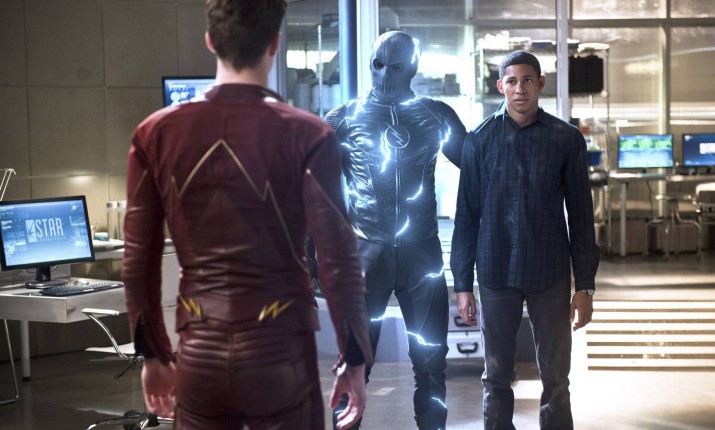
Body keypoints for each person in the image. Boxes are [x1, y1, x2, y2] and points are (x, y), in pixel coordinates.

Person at [121, 1, 373, 428]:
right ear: (274, 43)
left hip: (199, 352)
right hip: (282, 353)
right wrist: (355, 357)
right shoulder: (310, 134)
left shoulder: (154, 133)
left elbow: (137, 259)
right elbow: (338, 258)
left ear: (210, 42)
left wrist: (153, 355)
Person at [450, 49, 600, 429]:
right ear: (500, 86)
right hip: (496, 270)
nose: (520, 89)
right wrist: (463, 284)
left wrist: (585, 286)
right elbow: (466, 217)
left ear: (540, 84)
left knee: (556, 378)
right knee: (496, 376)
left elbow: (582, 217)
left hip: (549, 272)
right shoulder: (478, 141)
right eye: (512, 81)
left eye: (528, 80)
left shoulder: (566, 140)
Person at [323, 31, 467, 430]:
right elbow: (314, 193)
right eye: (378, 64)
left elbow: (480, 168)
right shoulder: (343, 118)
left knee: (431, 365)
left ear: (414, 67)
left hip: (421, 257)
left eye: (396, 66)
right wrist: (316, 260)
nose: (385, 74)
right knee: (353, 366)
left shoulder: (436, 115)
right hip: (367, 256)